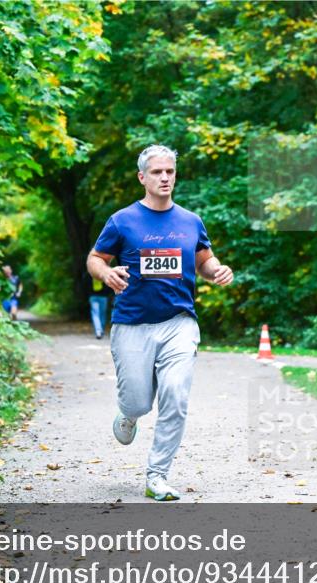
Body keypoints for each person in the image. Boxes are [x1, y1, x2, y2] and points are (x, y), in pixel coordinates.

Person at [86, 144, 234, 501]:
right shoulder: (122, 220)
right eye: (157, 172)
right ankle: (129, 414)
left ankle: (157, 475)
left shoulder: (190, 221)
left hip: (179, 322)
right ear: (142, 178)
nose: (165, 177)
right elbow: (95, 258)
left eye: (170, 171)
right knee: (138, 402)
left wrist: (217, 270)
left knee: (175, 395)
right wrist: (107, 273)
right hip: (132, 323)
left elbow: (205, 260)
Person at [88, 275, 110, 339]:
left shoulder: (90, 273)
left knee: (95, 314)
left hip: (93, 296)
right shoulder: (104, 273)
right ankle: (101, 330)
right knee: (102, 314)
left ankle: (98, 331)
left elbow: (86, 285)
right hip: (103, 296)